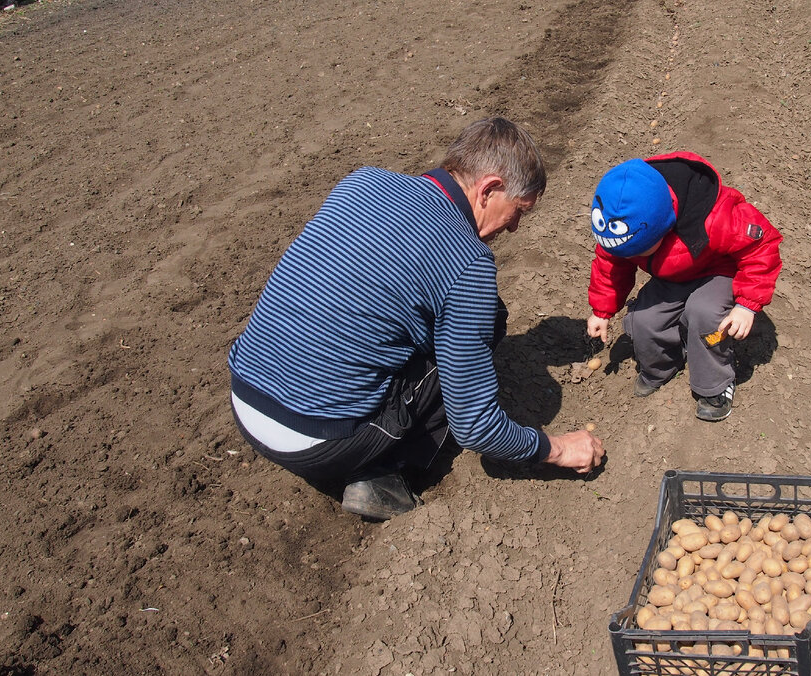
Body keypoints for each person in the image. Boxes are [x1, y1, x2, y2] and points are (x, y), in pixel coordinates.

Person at [227, 117, 604, 521]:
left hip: (246, 396)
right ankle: (384, 474)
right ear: (489, 189)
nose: (513, 228)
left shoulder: (363, 182)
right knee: (481, 331)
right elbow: (476, 427)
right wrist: (559, 449)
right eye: (518, 211)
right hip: (314, 440)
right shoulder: (467, 263)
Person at [585, 152, 782, 422]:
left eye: (637, 251)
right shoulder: (619, 232)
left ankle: (714, 385)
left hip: (717, 271)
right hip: (672, 276)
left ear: (664, 226)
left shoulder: (715, 215)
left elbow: (761, 246)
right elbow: (609, 267)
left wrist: (747, 304)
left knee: (704, 314)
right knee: (644, 320)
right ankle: (660, 368)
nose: (629, 257)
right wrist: (602, 310)